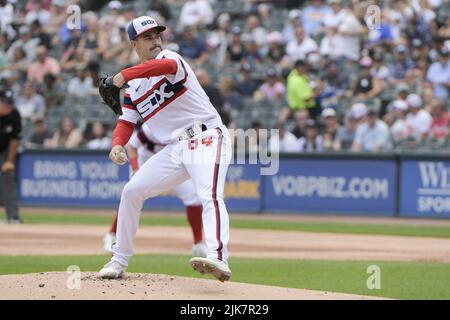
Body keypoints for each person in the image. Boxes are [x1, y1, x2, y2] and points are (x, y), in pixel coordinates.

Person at [98, 16, 232, 282]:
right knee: (132, 191)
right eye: (147, 37)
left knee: (209, 195)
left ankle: (218, 258)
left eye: (157, 35)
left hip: (207, 136)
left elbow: (159, 68)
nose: (155, 41)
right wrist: (117, 145)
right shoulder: (134, 88)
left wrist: (122, 75)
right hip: (176, 148)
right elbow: (126, 121)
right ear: (134, 43)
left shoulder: (172, 59)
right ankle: (118, 259)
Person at [103, 124, 207, 258]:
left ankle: (198, 244)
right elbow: (132, 146)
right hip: (145, 162)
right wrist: (135, 169)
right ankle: (112, 235)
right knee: (131, 196)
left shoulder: (185, 126)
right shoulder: (150, 128)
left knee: (193, 195)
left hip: (171, 164)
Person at [0, 88, 22, 223]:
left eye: (10, 103)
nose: (8, 105)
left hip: (5, 148)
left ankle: (13, 216)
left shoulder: (14, 115)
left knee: (8, 177)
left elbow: (15, 139)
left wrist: (9, 161)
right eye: (5, 102)